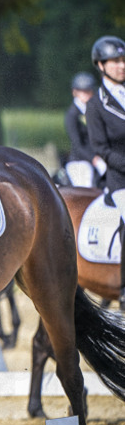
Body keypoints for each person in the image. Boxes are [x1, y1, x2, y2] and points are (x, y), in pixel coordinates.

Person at [85, 35, 125, 310]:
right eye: (115, 61)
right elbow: (100, 147)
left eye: (123, 60)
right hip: (120, 180)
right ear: (100, 65)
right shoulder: (96, 104)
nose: (121, 66)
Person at [64, 72, 107, 188]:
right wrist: (94, 159)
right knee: (87, 187)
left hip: (100, 156)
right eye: (83, 92)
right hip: (80, 161)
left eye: (89, 91)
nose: (87, 95)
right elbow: (77, 144)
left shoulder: (95, 111)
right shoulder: (72, 115)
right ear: (75, 92)